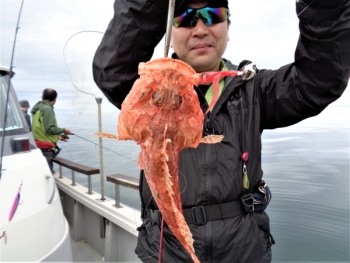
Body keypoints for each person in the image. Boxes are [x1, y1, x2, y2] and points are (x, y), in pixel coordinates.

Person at [92, 0, 350, 262]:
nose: (200, 29)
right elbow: (112, 73)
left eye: (213, 15)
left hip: (244, 250)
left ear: (228, 26)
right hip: (166, 250)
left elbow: (318, 81)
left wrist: (324, 7)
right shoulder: (146, 88)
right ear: (170, 30)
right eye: (186, 19)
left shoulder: (254, 88)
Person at [31, 88, 72, 172]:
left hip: (37, 146)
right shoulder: (47, 109)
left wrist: (58, 137)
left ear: (42, 97)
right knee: (46, 175)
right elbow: (49, 129)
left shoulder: (37, 109)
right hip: (46, 149)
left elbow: (40, 128)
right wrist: (64, 130)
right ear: (55, 99)